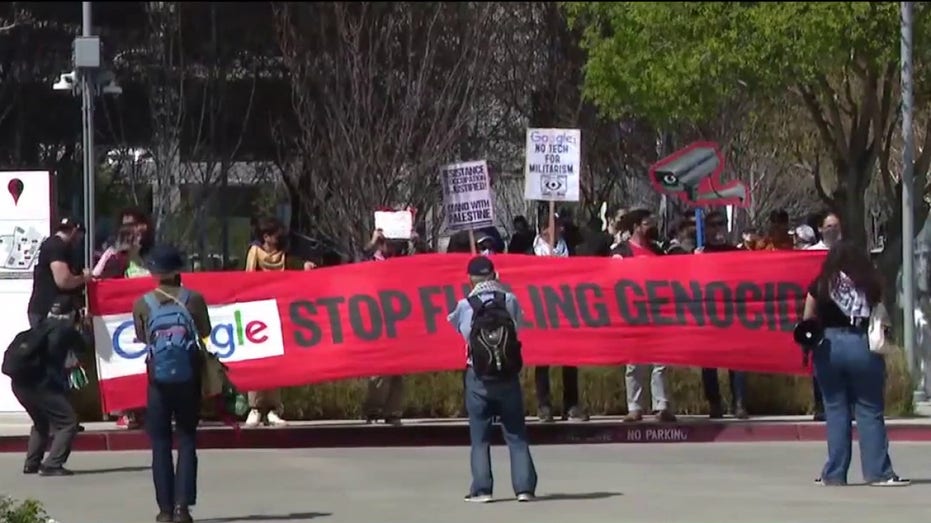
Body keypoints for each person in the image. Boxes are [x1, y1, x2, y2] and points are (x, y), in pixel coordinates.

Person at [802, 241, 909, 487]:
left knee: (836, 409)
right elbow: (882, 313)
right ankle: (878, 473)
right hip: (861, 344)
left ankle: (834, 474)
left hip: (828, 347)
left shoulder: (821, 285)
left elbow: (807, 319)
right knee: (869, 409)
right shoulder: (869, 285)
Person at [132, 245, 212, 523]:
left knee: (160, 443)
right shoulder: (194, 299)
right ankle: (182, 508)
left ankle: (164, 510)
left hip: (158, 380)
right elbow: (205, 331)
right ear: (179, 271)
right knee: (187, 439)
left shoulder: (143, 303)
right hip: (189, 376)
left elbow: (143, 338)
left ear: (154, 273)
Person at [448, 256, 537, 502]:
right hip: (508, 375)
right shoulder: (509, 300)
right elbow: (519, 327)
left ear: (470, 279)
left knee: (480, 437)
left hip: (478, 376)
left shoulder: (465, 305)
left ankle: (482, 489)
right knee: (516, 434)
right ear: (494, 275)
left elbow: (460, 331)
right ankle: (524, 488)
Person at [242, 217, 313, 428]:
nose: (279, 238)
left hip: (278, 314)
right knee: (257, 361)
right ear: (266, 237)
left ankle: (273, 408)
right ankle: (255, 408)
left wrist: (305, 266)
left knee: (275, 362)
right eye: (275, 235)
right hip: (256, 314)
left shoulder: (285, 256)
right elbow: (245, 281)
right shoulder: (253, 254)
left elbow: (296, 267)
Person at [8, 296, 86, 476]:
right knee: (68, 422)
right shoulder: (66, 330)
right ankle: (52, 464)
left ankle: (32, 463)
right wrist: (84, 326)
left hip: (19, 384)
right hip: (42, 386)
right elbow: (84, 346)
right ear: (72, 314)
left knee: (41, 421)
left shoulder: (35, 330)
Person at [612, 209, 675, 422]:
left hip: (657, 311)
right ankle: (635, 406)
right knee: (634, 362)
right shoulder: (622, 251)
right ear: (637, 226)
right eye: (647, 223)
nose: (651, 227)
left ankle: (662, 405)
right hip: (632, 313)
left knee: (661, 361)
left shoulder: (657, 250)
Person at [532, 218, 587, 422]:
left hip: (566, 310)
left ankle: (571, 404)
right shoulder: (532, 252)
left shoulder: (569, 250)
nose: (560, 230)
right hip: (541, 312)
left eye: (562, 227)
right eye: (555, 226)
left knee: (570, 359)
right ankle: (544, 405)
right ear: (544, 229)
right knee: (543, 361)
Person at [695, 211, 749, 419]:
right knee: (709, 362)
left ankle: (740, 403)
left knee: (737, 361)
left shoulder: (735, 252)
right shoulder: (700, 253)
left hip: (731, 314)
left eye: (721, 224)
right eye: (713, 225)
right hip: (708, 314)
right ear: (706, 228)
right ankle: (714, 403)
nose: (718, 229)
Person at [805, 210, 842, 421]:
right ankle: (820, 405)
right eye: (828, 227)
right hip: (820, 315)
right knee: (819, 363)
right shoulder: (810, 254)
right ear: (820, 229)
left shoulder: (847, 253)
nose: (832, 231)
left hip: (843, 316)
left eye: (836, 227)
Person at [27, 217, 90, 328]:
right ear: (75, 231)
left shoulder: (62, 248)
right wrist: (84, 277)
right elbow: (63, 280)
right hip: (49, 312)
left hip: (56, 311)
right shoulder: (56, 246)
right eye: (81, 236)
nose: (80, 240)